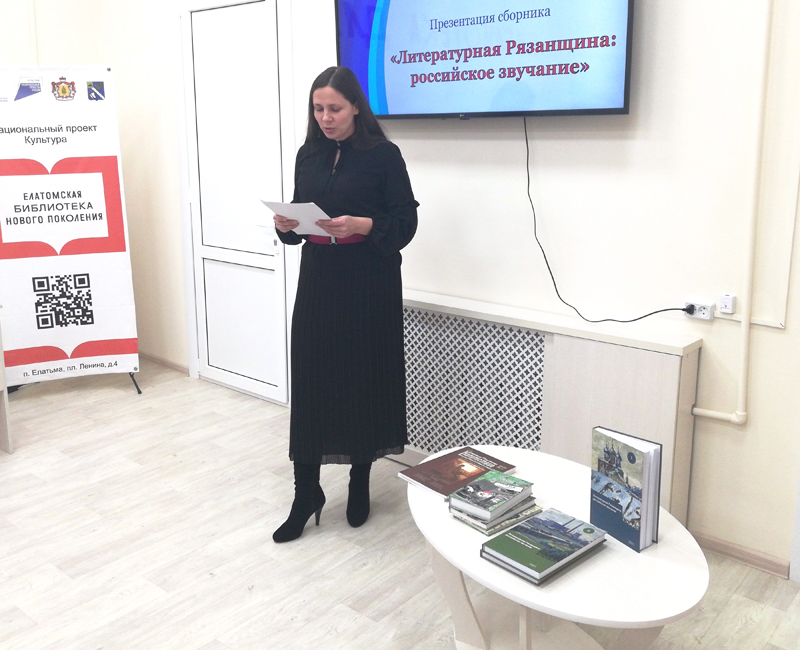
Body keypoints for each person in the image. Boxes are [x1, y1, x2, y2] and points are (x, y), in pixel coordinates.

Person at [272, 66, 418, 543]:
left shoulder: (384, 156)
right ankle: (306, 493)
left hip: (368, 282)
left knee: (361, 379)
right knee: (312, 381)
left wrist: (363, 225)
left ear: (356, 106)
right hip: (320, 278)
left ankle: (359, 482)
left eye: (334, 108)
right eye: (318, 108)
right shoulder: (308, 154)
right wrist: (285, 226)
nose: (326, 117)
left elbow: (405, 223)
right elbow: (299, 221)